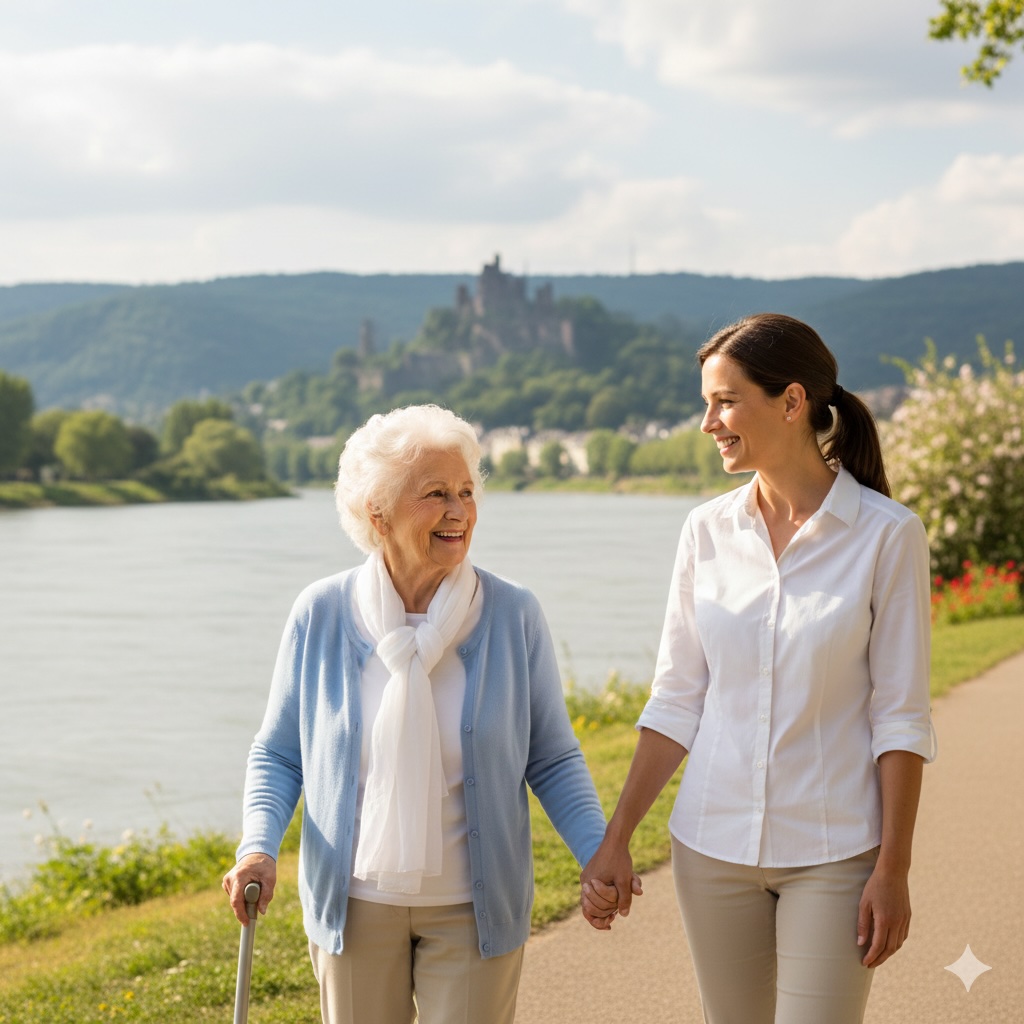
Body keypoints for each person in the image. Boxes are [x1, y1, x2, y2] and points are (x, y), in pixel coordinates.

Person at [581, 313, 936, 1024]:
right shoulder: (705, 531)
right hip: (710, 846)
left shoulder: (888, 535)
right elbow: (677, 698)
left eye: (726, 401)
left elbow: (900, 717)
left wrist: (893, 868)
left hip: (834, 851)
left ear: (792, 401)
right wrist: (616, 839)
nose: (708, 422)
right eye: (706, 403)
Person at [223, 404, 608, 1024]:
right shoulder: (321, 612)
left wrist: (596, 851)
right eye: (436, 494)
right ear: (377, 513)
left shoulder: (513, 614)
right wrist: (258, 847)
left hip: (474, 910)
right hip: (353, 905)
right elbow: (279, 752)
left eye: (466, 492)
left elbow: (552, 757)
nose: (459, 511)